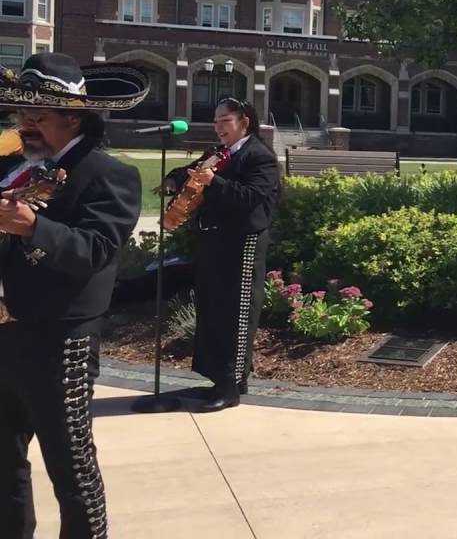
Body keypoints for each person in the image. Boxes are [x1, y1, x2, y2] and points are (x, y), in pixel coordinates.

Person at [0, 52, 148, 538]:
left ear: (73, 116)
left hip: (60, 341)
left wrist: (34, 227)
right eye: (21, 115)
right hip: (5, 337)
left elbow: (97, 250)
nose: (25, 125)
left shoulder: (109, 174)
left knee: (72, 469)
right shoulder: (11, 167)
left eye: (37, 116)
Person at [162, 96, 279, 413]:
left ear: (245, 123)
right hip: (214, 242)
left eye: (225, 121)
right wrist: (173, 180)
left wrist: (215, 182)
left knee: (236, 314)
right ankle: (218, 379)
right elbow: (190, 171)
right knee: (212, 310)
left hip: (243, 243)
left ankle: (231, 387)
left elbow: (252, 198)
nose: (218, 128)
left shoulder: (260, 157)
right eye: (215, 122)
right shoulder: (219, 154)